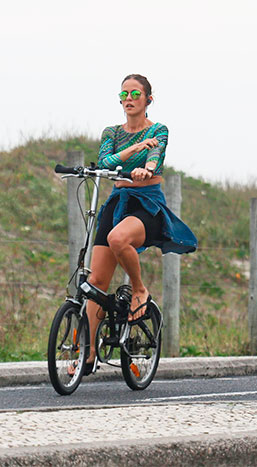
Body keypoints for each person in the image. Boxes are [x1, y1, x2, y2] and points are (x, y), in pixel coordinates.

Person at [72, 74, 197, 376]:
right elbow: (105, 160)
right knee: (96, 282)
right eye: (124, 94)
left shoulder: (158, 130)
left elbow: (156, 155)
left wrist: (147, 168)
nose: (128, 99)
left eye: (135, 94)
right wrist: (133, 151)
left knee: (118, 239)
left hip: (146, 205)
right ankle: (88, 355)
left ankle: (139, 289)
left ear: (148, 100)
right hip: (117, 202)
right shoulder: (112, 132)